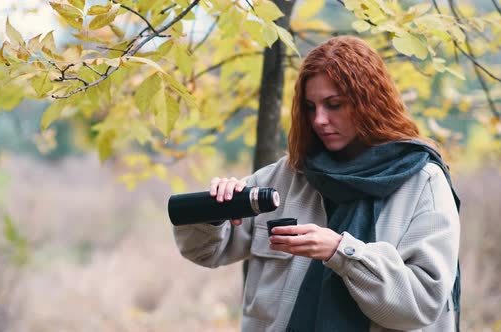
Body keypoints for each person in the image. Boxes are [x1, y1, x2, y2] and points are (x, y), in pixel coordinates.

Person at [173, 36, 461, 332]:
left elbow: (422, 303)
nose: (319, 120)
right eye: (310, 107)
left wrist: (341, 252)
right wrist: (214, 211)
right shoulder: (286, 177)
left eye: (334, 105)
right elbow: (204, 252)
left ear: (370, 102)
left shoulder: (423, 182)